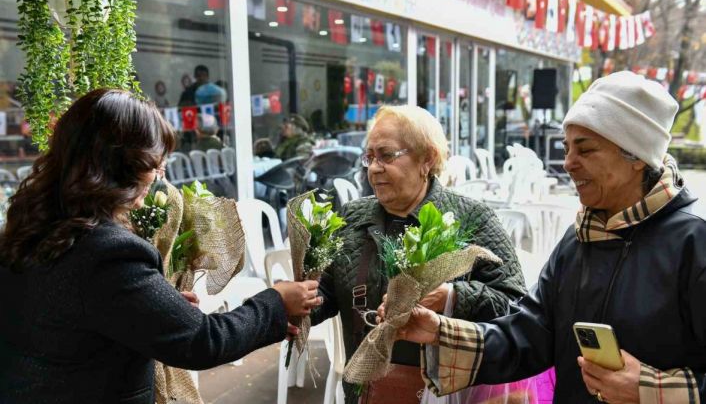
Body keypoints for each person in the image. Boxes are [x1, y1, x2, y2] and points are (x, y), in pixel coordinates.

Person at [395, 71, 706, 403]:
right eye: (567, 147)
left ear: (637, 159)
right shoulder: (577, 242)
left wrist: (653, 391)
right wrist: (439, 331)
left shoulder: (692, 244)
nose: (568, 163)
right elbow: (530, 333)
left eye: (585, 150)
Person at [0, 89, 322, 403]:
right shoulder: (109, 253)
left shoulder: (30, 229)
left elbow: (75, 314)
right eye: (153, 164)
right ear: (120, 166)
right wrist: (276, 302)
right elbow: (203, 341)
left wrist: (148, 307)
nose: (157, 177)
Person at [311, 105, 526, 403]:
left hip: (444, 391)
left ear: (428, 159)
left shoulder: (472, 218)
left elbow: (514, 303)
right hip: (366, 391)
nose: (373, 168)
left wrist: (451, 296)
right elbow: (326, 292)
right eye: (369, 157)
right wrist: (295, 305)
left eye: (386, 155)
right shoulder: (352, 217)